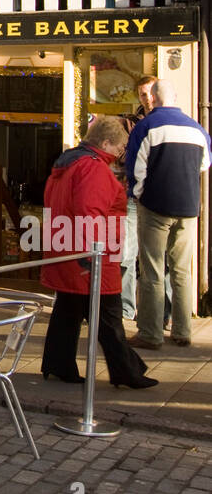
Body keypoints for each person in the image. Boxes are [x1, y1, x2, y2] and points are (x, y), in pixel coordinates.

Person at [40, 116, 156, 389]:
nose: (120, 153)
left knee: (67, 312)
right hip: (90, 258)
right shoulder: (93, 169)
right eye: (119, 147)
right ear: (105, 143)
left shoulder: (68, 164)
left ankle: (59, 366)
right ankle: (127, 372)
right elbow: (90, 213)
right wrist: (93, 256)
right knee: (109, 319)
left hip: (67, 251)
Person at [126, 77, 212, 350]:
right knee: (181, 271)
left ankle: (151, 333)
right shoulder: (198, 130)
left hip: (155, 207)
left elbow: (135, 168)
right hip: (188, 209)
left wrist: (140, 195)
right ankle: (182, 330)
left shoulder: (147, 126)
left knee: (152, 270)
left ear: (155, 97)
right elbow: (204, 164)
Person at [115, 74, 156, 322]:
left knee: (157, 258)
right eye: (142, 94)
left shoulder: (167, 121)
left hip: (157, 198)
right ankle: (127, 309)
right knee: (127, 254)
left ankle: (161, 313)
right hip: (132, 198)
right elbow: (121, 155)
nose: (147, 98)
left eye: (150, 93)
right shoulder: (130, 123)